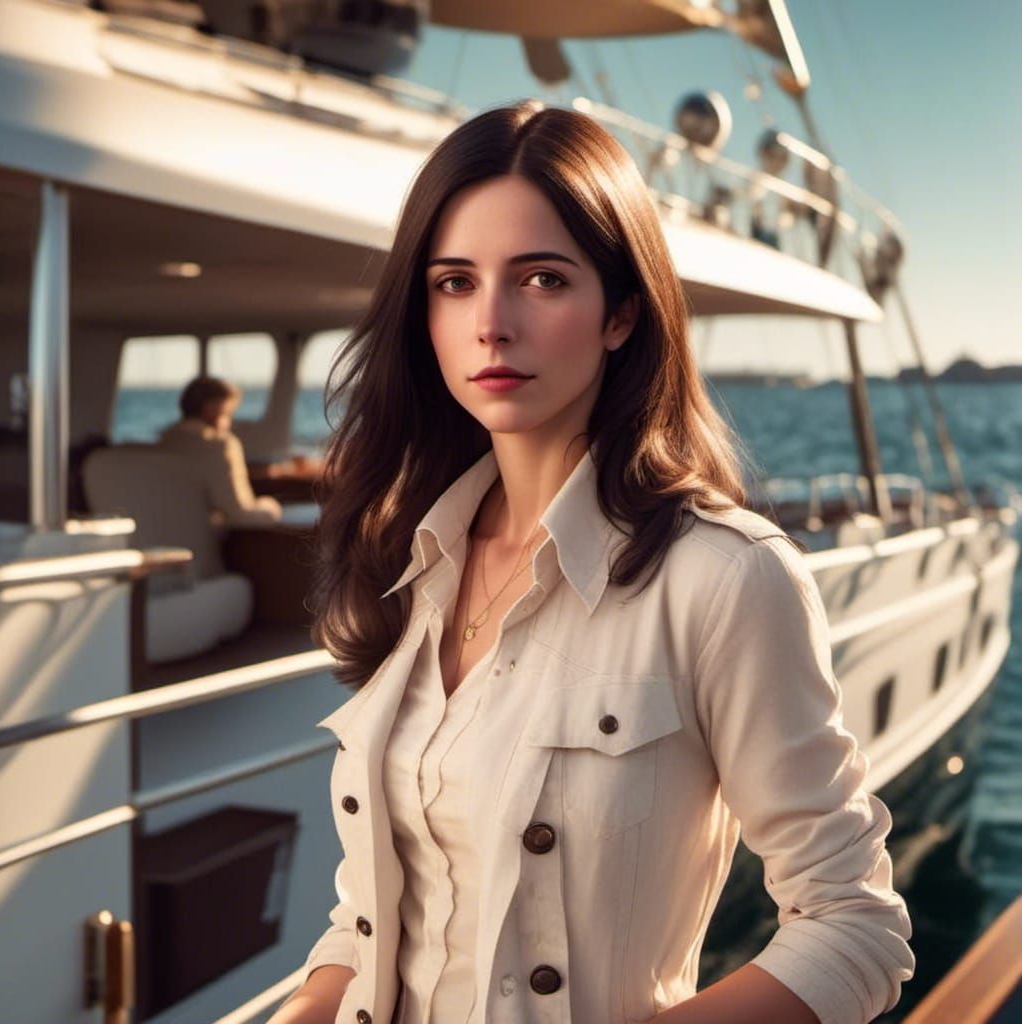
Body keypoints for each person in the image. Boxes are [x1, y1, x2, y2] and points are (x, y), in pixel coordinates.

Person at [270, 101, 914, 1024]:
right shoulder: (411, 559)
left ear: (619, 313)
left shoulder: (722, 579)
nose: (491, 323)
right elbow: (374, 915)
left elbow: (854, 925)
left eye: (540, 278)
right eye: (455, 282)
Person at [157, 375, 283, 527]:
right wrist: (271, 508)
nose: (228, 422)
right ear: (212, 409)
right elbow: (238, 514)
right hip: (207, 541)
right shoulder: (219, 446)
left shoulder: (165, 441)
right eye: (227, 414)